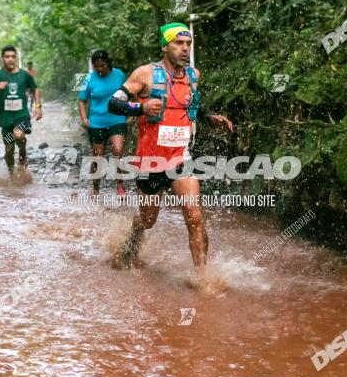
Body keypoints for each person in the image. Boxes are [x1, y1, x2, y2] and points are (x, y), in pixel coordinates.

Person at [107, 22, 233, 272]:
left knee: (195, 217)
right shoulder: (144, 74)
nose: (185, 49)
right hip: (150, 162)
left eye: (188, 44)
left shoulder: (193, 76)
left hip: (180, 158)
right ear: (165, 46)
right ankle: (131, 244)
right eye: (179, 43)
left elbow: (190, 103)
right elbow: (113, 103)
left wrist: (209, 116)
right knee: (147, 220)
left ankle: (202, 278)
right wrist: (140, 108)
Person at [0, 46, 42, 172]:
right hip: (6, 119)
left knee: (18, 135)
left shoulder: (24, 75)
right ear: (2, 58)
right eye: (7, 57)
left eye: (13, 57)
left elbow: (35, 88)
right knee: (9, 149)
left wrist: (38, 107)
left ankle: (23, 152)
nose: (10, 59)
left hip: (22, 116)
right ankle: (12, 176)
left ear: (16, 58)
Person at [77, 50, 129, 196]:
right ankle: (95, 188)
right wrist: (83, 118)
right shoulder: (87, 78)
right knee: (97, 158)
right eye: (96, 66)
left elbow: (129, 92)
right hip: (96, 122)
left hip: (117, 119)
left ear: (108, 63)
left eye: (102, 65)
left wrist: (131, 112)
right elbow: (81, 100)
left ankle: (119, 184)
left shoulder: (119, 74)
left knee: (118, 150)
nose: (99, 69)